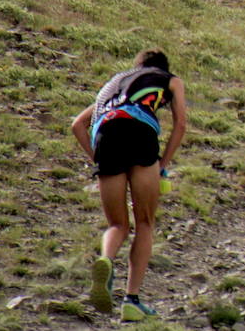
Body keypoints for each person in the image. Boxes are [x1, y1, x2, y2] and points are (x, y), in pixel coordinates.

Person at [70, 49, 188, 320]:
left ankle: (106, 260)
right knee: (144, 222)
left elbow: (78, 124)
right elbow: (181, 124)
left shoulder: (115, 84)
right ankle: (132, 300)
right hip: (140, 133)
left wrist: (97, 159)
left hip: (106, 136)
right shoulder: (170, 79)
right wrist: (163, 165)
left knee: (116, 224)